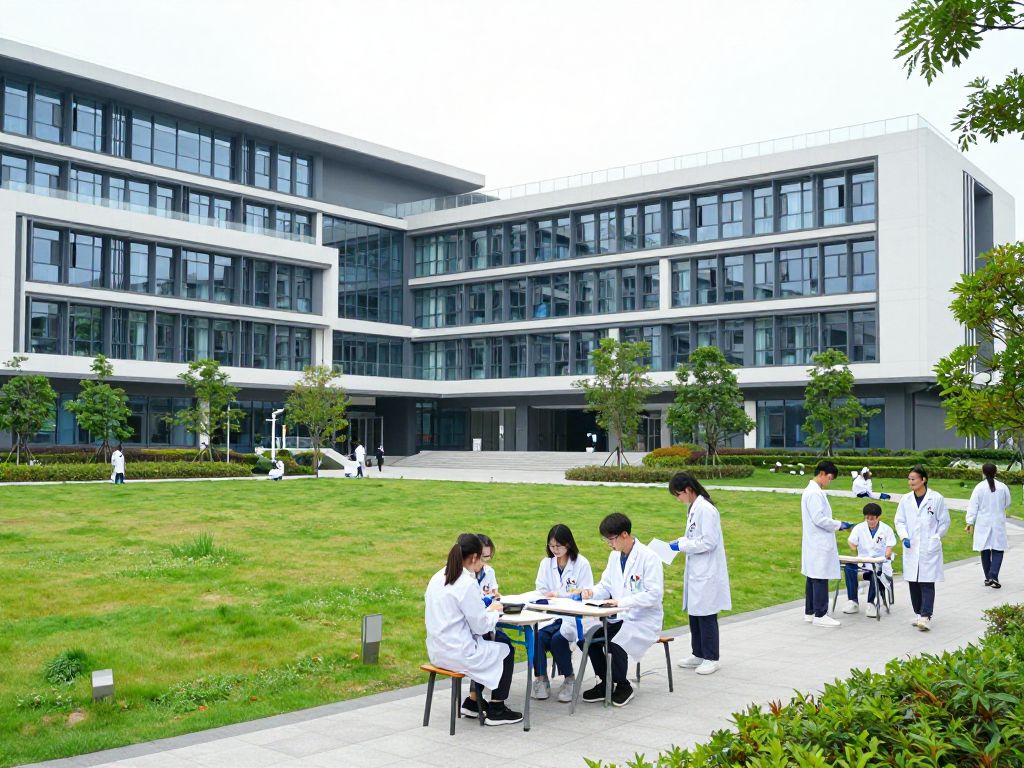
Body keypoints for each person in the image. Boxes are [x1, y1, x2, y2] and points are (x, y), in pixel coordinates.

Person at [424, 533, 523, 726]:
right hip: (459, 653)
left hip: (437, 651)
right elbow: (481, 625)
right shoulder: (467, 583)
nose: (484, 565)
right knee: (506, 649)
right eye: (482, 559)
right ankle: (497, 708)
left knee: (493, 643)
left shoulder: (437, 577)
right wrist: (495, 610)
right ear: (475, 557)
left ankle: (473, 701)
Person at [579, 513, 664, 707]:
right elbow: (606, 586)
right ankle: (606, 682)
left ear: (625, 534)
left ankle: (624, 685)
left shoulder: (649, 558)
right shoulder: (614, 556)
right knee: (587, 640)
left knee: (615, 640)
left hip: (643, 619)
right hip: (621, 616)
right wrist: (590, 592)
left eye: (611, 539)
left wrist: (621, 602)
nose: (609, 544)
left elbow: (654, 595)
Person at [668, 472, 731, 675]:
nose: (678, 499)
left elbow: (709, 542)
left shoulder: (706, 510)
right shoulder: (694, 508)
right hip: (697, 569)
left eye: (678, 495)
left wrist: (683, 545)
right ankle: (698, 653)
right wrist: (680, 542)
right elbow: (694, 536)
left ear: (688, 489)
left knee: (706, 614)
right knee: (695, 613)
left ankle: (711, 657)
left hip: (707, 571)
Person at [532, 524, 593, 702]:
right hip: (550, 614)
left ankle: (569, 679)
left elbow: (585, 591)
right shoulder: (546, 563)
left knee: (558, 639)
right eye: (552, 546)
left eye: (559, 546)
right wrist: (549, 595)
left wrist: (560, 594)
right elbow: (541, 588)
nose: (555, 550)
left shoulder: (581, 563)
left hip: (573, 617)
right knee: (538, 637)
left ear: (569, 544)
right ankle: (541, 678)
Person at [894, 465, 950, 631]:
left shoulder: (936, 498)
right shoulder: (905, 499)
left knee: (926, 582)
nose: (910, 482)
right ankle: (919, 614)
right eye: (909, 479)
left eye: (913, 479)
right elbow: (899, 521)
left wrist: (936, 537)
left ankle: (926, 615)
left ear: (923, 479)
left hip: (928, 546)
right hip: (911, 546)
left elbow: (945, 522)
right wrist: (904, 536)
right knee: (913, 581)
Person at [801, 461, 853, 627]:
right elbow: (819, 519)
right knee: (820, 577)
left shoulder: (813, 491)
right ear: (822, 474)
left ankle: (810, 612)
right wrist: (840, 525)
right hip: (818, 541)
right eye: (829, 478)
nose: (829, 482)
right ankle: (820, 614)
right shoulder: (814, 494)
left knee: (813, 576)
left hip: (815, 541)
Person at [841, 502, 896, 617]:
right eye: (867, 518)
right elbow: (852, 542)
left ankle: (872, 604)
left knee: (877, 572)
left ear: (878, 517)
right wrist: (852, 545)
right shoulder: (859, 528)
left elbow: (889, 549)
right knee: (849, 568)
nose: (870, 521)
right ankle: (853, 602)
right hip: (863, 564)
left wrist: (885, 556)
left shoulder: (887, 530)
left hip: (880, 564)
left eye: (872, 519)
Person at [965, 463, 1012, 589]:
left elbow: (973, 506)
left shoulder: (979, 488)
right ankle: (993, 575)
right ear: (996, 472)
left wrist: (970, 522)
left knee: (985, 549)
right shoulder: (1003, 487)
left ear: (983, 472)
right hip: (998, 521)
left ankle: (988, 577)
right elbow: (1008, 503)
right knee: (998, 548)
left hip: (983, 522)